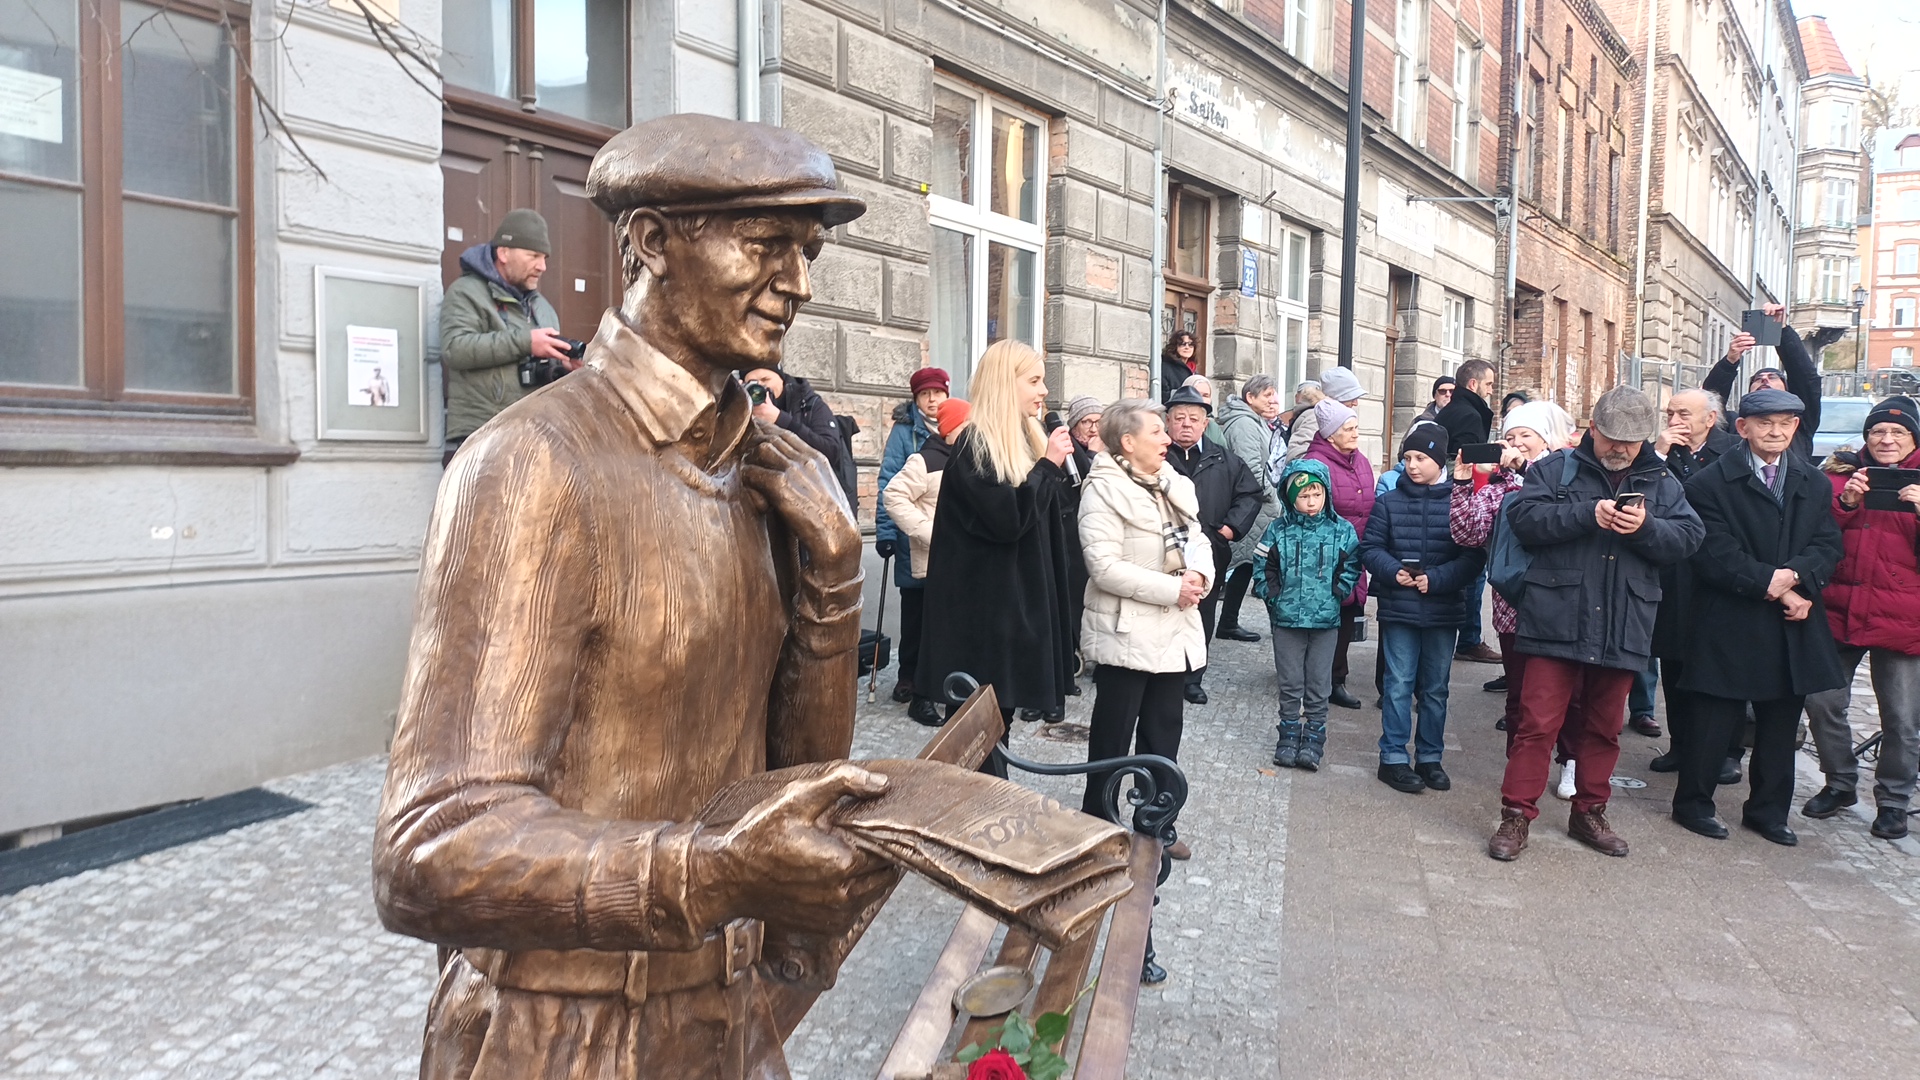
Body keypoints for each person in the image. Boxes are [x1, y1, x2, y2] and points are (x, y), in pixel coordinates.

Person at [376, 115, 890, 1080]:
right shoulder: (534, 465)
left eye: (809, 251)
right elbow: (429, 849)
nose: (801, 283)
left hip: (726, 1016)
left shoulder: (764, 471)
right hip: (564, 1033)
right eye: (768, 244)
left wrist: (834, 576)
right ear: (652, 239)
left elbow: (790, 785)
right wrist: (710, 872)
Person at [1485, 387, 1703, 860]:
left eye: (1631, 441)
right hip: (1555, 617)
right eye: (1612, 439)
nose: (1620, 449)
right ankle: (1516, 815)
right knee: (1535, 725)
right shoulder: (1554, 467)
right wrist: (1586, 514)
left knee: (1604, 728)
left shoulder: (1660, 479)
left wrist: (1646, 529)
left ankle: (1589, 811)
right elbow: (1523, 518)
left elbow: (1688, 538)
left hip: (1624, 620)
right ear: (1593, 429)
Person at [1670, 389, 1845, 846]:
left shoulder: (1814, 481)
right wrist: (1770, 585)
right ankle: (1693, 803)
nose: (1776, 431)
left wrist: (1797, 584)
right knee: (1713, 719)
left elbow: (1827, 545)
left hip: (1792, 621)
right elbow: (1712, 550)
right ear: (1742, 427)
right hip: (1728, 616)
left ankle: (1768, 811)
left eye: (1786, 423)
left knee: (1780, 723)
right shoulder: (1707, 484)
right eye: (1766, 423)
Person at [915, 339, 1076, 761]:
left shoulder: (1024, 439)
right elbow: (1008, 520)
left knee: (996, 732)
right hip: (982, 622)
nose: (1044, 391)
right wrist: (1048, 467)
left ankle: (987, 811)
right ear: (1007, 384)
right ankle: (967, 814)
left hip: (1014, 611)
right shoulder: (975, 447)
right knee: (974, 735)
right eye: (1035, 380)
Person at [1076, 398, 1212, 861]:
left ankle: (1155, 824)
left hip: (1174, 628)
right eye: (1157, 432)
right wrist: (1170, 590)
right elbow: (1103, 567)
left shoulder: (1172, 482)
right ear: (1128, 443)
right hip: (1127, 631)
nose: (1168, 438)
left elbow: (1198, 538)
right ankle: (1096, 823)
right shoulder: (1102, 490)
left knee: (1163, 730)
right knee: (1113, 733)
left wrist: (1199, 577)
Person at [1802, 396, 1920, 840]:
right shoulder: (1839, 475)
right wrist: (1846, 504)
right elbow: (1814, 535)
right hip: (1840, 610)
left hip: (1904, 617)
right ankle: (1840, 782)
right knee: (1821, 701)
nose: (1886, 439)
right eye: (1877, 432)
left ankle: (1892, 802)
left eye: (1898, 433)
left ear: (1913, 438)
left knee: (1903, 719)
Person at [1359, 425, 1485, 794]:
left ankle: (1430, 757)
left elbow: (1473, 556)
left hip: (1443, 608)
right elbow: (1371, 548)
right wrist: (1393, 571)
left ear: (1439, 461)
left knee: (1435, 688)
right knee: (1398, 684)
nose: (1412, 466)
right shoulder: (1389, 502)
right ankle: (1393, 758)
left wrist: (1439, 579)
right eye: (1407, 458)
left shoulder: (1460, 500)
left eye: (1420, 459)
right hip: (1399, 607)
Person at [1447, 401, 1576, 758]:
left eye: (1525, 436)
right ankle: (1520, 770)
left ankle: (1569, 761)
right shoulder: (1497, 487)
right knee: (1519, 695)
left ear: (1545, 441)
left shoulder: (1567, 476)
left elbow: (1566, 507)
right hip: (1513, 606)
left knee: (1568, 696)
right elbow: (1467, 535)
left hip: (1560, 604)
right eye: (1509, 437)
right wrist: (1462, 485)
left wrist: (1524, 468)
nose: (1516, 443)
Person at [1646, 388, 1745, 771]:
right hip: (1675, 569)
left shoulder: (1733, 450)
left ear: (1710, 418)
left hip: (1719, 567)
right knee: (1674, 662)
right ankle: (1681, 744)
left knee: (1721, 664)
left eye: (1684, 414)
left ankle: (1726, 752)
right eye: (1670, 413)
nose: (1675, 421)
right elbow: (1644, 492)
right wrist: (1658, 453)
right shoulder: (1661, 451)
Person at [1253, 459, 1361, 771]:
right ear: (1291, 498)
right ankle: (1287, 734)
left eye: (1316, 495)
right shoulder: (1278, 530)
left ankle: (1314, 737)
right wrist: (1272, 597)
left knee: (1318, 683)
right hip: (1287, 620)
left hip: (1325, 621)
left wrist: (1339, 591)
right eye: (1304, 496)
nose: (1311, 502)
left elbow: (1352, 563)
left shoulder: (1341, 530)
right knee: (1290, 682)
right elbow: (1263, 566)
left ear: (1326, 493)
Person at [439, 208, 568, 466]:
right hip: (481, 437)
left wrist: (566, 367)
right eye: (533, 256)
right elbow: (455, 348)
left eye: (544, 258)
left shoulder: (543, 307)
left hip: (533, 437)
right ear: (503, 253)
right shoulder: (466, 293)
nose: (542, 266)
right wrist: (526, 342)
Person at [1163, 385, 1264, 705]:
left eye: (1194, 418)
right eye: (1179, 418)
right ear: (1168, 422)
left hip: (1209, 546)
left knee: (1202, 610)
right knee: (1164, 606)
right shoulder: (1158, 457)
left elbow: (1250, 493)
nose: (1186, 424)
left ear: (1206, 423)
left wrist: (1230, 529)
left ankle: (1193, 677)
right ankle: (1163, 672)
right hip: (1164, 547)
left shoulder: (1225, 459)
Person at [881, 399, 970, 725]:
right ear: (951, 429)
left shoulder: (969, 461)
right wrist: (928, 532)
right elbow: (893, 495)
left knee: (954, 635)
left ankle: (952, 697)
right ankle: (922, 698)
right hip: (933, 563)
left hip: (961, 564)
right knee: (930, 634)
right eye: (966, 426)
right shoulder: (926, 460)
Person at [874, 367, 949, 706]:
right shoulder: (905, 432)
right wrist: (886, 532)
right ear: (916, 399)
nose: (932, 399)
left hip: (948, 540)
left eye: (937, 393)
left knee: (942, 612)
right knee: (915, 611)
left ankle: (937, 676)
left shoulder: (957, 430)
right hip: (912, 539)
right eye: (925, 394)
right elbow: (888, 481)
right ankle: (908, 675)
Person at [1302, 398, 1376, 710]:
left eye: (1356, 426)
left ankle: (1336, 679)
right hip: (1325, 554)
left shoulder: (1358, 459)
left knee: (1347, 615)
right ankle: (1314, 681)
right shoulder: (1316, 463)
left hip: (1354, 553)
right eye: (1349, 428)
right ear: (1331, 434)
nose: (1355, 433)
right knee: (1322, 619)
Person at [1432, 358, 1502, 666]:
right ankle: (1470, 638)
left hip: (1450, 497)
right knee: (1473, 568)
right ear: (1473, 384)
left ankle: (1464, 635)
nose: (1491, 390)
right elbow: (1469, 463)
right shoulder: (1470, 414)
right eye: (1489, 384)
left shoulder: (1450, 410)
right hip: (1463, 499)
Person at [1702, 302, 1821, 461]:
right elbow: (1710, 399)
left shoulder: (1801, 423)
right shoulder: (1732, 423)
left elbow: (1806, 379)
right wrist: (1730, 360)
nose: (1764, 379)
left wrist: (1783, 330)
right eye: (1757, 380)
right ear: (1742, 427)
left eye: (1772, 377)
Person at [1217, 374, 1288, 643]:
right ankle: (1225, 622)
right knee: (1241, 563)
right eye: (1267, 395)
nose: (1274, 400)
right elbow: (1251, 469)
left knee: (1247, 564)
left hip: (1257, 505)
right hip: (1252, 505)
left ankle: (1228, 622)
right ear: (1250, 398)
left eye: (1275, 394)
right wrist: (1273, 497)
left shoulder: (1256, 421)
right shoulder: (1244, 424)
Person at [740, 365, 845, 472]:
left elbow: (831, 452)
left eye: (765, 379)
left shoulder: (809, 404)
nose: (759, 387)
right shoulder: (741, 408)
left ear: (782, 380)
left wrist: (780, 419)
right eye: (752, 383)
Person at [1287, 366, 1365, 459]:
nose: (1355, 403)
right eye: (1351, 397)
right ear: (1336, 397)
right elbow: (1297, 456)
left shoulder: (1328, 416)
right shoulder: (1316, 417)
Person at [1160, 331, 1198, 404]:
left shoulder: (1194, 370)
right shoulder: (1165, 367)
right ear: (1175, 346)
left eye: (1191, 345)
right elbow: (1163, 395)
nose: (1187, 347)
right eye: (1182, 344)